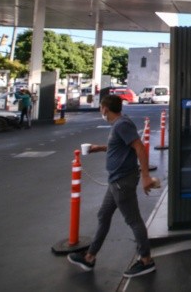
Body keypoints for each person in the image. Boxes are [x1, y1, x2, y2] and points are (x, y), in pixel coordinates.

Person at [67, 94, 156, 278]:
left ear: (105, 109)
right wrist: (100, 148)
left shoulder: (122, 124)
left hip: (122, 182)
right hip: (116, 181)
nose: (101, 110)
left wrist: (146, 176)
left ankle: (146, 260)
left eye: (101, 107)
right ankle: (90, 257)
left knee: (134, 220)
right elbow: (122, 146)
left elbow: (139, 147)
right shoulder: (119, 124)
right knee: (104, 215)